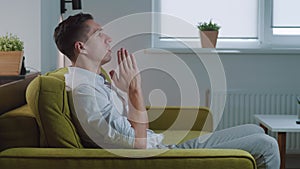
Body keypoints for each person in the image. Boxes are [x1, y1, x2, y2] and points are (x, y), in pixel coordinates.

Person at [54, 13, 280, 169]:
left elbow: (124, 126)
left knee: (254, 130)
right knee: (267, 145)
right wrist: (135, 91)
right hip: (162, 154)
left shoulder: (92, 82)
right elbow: (138, 143)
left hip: (160, 145)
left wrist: (121, 91)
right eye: (98, 34)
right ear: (80, 47)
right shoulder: (85, 93)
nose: (108, 38)